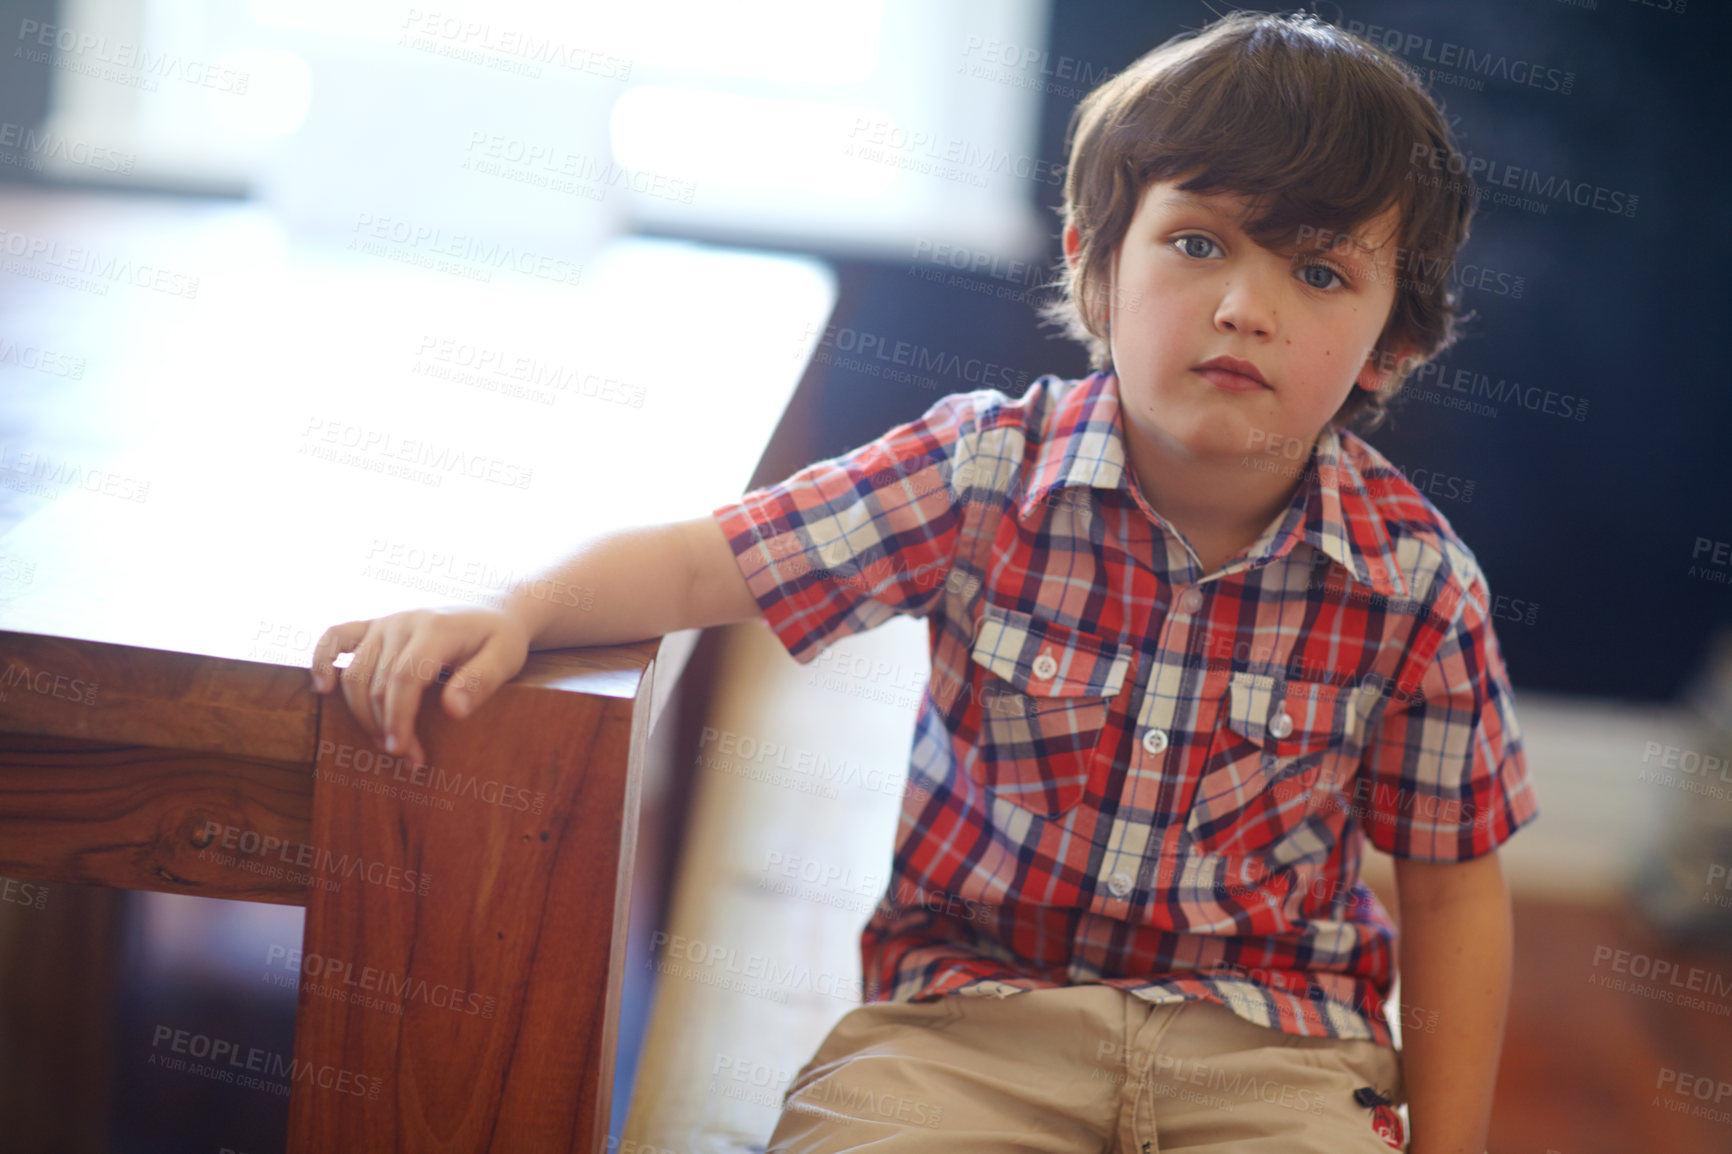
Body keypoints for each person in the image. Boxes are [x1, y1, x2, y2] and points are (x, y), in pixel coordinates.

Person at [311, 11, 1537, 1152]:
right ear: (1095, 266)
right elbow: (704, 557)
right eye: (1197, 241)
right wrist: (512, 606)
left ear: (1393, 344)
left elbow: (1451, 895)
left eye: (1317, 274)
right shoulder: (980, 473)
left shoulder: (1414, 584)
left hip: (1273, 1048)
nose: (1240, 306)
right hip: (967, 1023)